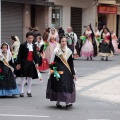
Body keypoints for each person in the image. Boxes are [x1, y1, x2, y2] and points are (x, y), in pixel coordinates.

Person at [46, 37, 77, 109]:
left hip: (67, 71)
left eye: (65, 41)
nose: (64, 43)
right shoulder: (56, 51)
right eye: (62, 41)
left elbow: (71, 64)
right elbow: (52, 61)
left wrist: (74, 73)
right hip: (58, 70)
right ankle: (58, 101)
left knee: (66, 85)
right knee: (59, 85)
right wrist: (53, 70)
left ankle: (67, 102)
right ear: (60, 42)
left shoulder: (69, 51)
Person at [16, 32, 39, 97]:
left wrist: (36, 63)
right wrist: (18, 63)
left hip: (31, 63)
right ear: (26, 38)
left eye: (32, 38)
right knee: (23, 77)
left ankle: (29, 91)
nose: (30, 39)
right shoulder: (22, 45)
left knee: (30, 77)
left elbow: (35, 55)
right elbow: (19, 55)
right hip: (24, 63)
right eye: (29, 38)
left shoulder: (34, 45)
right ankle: (21, 91)